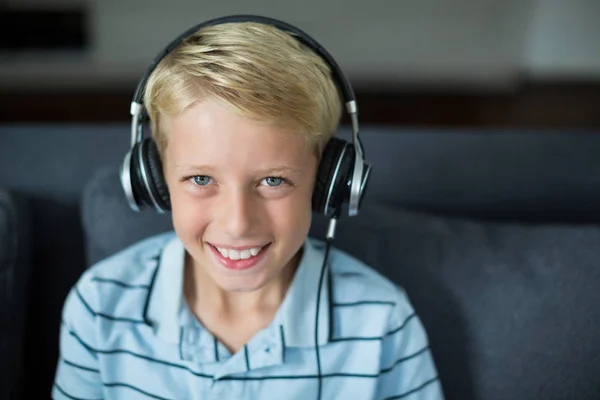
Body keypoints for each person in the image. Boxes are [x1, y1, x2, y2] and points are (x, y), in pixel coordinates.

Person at [52, 15, 444, 400]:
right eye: (201, 179)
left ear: (327, 182)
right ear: (155, 178)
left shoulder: (383, 323)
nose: (238, 224)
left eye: (273, 180)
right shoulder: (99, 307)